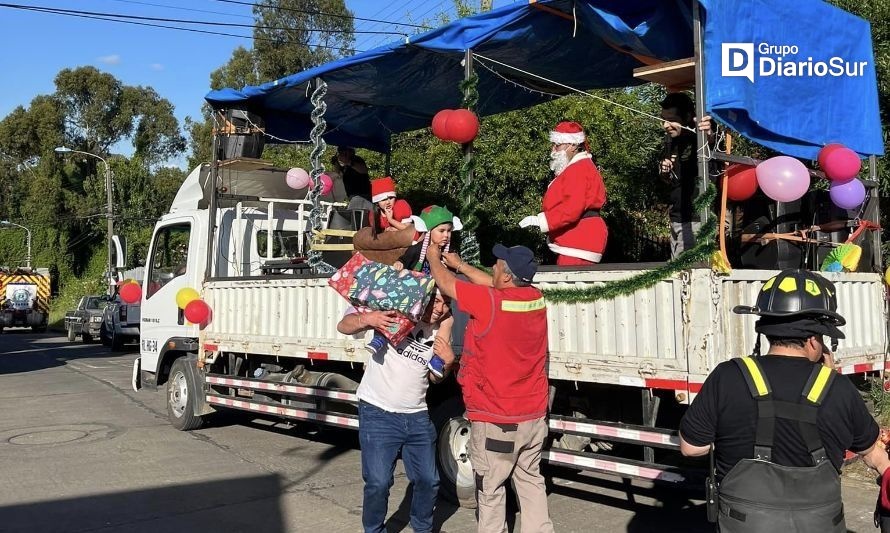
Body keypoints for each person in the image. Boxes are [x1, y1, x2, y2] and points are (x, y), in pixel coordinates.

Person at [679, 269, 890, 532]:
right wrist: (828, 377)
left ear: (766, 329)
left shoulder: (728, 376)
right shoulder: (838, 388)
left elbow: (691, 448)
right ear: (814, 340)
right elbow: (874, 454)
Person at [426, 242, 554, 533]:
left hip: (498, 419)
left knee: (491, 489)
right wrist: (460, 265)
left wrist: (433, 256)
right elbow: (493, 284)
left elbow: (446, 284)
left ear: (507, 276)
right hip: (532, 417)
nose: (493, 266)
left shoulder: (490, 302)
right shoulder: (535, 298)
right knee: (530, 480)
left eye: (497, 264)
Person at [337, 290, 456, 533]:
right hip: (378, 411)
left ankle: (422, 528)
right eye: (437, 300)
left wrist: (448, 362)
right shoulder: (395, 306)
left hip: (417, 415)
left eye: (447, 303)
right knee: (378, 483)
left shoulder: (445, 323)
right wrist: (368, 319)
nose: (440, 308)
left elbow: (435, 377)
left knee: (428, 481)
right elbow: (344, 325)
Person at [365, 205, 461, 358]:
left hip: (438, 298)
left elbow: (453, 274)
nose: (446, 235)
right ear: (429, 231)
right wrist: (400, 264)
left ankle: (438, 357)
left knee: (448, 320)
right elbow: (404, 259)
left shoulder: (450, 253)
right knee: (396, 309)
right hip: (416, 294)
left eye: (449, 231)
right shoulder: (418, 248)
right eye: (441, 231)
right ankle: (380, 338)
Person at [519, 121, 607, 266]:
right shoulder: (578, 167)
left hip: (579, 241)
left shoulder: (579, 169)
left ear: (572, 145)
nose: (553, 149)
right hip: (579, 240)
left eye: (557, 145)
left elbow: (572, 208)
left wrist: (542, 220)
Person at [658, 93, 713, 258]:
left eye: (671, 119)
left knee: (688, 273)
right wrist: (663, 172)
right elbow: (668, 181)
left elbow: (711, 144)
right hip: (677, 217)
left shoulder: (699, 138)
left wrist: (709, 134)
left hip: (696, 219)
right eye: (663, 119)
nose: (665, 125)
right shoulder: (670, 142)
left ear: (688, 116)